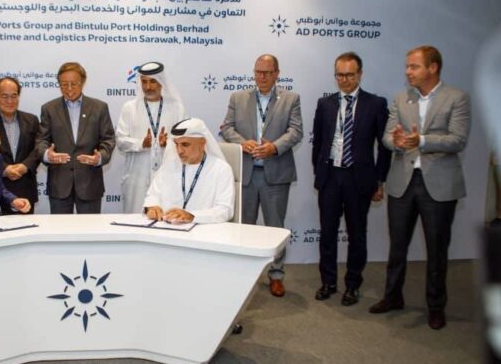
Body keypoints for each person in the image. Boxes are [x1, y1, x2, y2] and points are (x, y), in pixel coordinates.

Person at [369, 45, 470, 330]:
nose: (408, 72)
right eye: (407, 67)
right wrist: (397, 142)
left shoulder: (457, 98)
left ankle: (436, 307)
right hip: (402, 182)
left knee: (437, 249)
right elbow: (387, 137)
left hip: (438, 185)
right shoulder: (402, 98)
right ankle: (393, 296)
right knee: (397, 246)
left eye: (414, 66)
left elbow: (458, 139)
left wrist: (422, 141)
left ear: (432, 68)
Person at [311, 52, 391, 306]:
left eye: (349, 75)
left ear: (360, 74)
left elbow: (384, 146)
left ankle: (353, 285)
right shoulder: (325, 104)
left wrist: (379, 180)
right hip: (330, 177)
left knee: (357, 235)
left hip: (359, 179)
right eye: (340, 75)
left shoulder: (375, 104)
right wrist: (319, 173)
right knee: (327, 233)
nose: (344, 80)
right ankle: (328, 282)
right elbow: (318, 143)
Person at [220, 54, 303, 297]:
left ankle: (276, 275)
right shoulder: (238, 98)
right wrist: (242, 142)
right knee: (243, 228)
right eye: (258, 72)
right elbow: (226, 127)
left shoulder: (291, 99)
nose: (262, 77)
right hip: (246, 173)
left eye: (267, 72)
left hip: (275, 174)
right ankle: (244, 275)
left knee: (275, 228)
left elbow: (296, 131)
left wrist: (273, 147)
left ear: (277, 73)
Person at [35, 62, 116, 214]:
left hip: (90, 182)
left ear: (83, 82)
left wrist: (99, 157)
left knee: (90, 228)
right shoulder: (49, 109)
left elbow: (108, 139)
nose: (69, 89)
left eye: (74, 84)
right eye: (64, 84)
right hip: (59, 183)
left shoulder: (99, 108)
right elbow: (41, 140)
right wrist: (47, 155)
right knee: (60, 228)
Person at [116, 62, 188, 213]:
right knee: (134, 219)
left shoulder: (176, 108)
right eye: (144, 82)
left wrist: (168, 144)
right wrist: (141, 144)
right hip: (137, 177)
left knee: (166, 218)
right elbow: (120, 141)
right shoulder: (130, 108)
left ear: (161, 82)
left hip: (167, 176)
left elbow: (186, 141)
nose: (148, 87)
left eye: (153, 81)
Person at [143, 118, 234, 224]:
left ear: (202, 143)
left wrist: (192, 216)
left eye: (185, 145)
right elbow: (153, 195)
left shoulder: (221, 169)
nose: (179, 151)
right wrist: (152, 206)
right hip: (168, 228)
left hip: (204, 230)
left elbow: (225, 210)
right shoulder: (168, 166)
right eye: (176, 144)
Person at [0, 76, 40, 214]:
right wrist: (5, 168)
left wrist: (25, 166)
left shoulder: (32, 120)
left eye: (14, 96)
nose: (10, 101)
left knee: (28, 227)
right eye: (4, 96)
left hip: (25, 189)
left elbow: (38, 148)